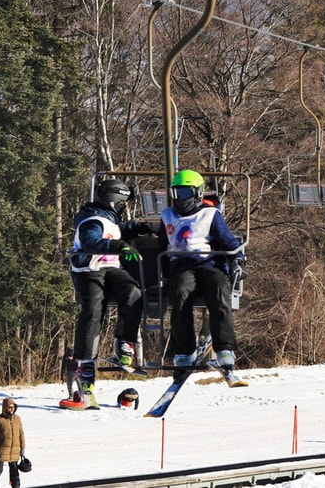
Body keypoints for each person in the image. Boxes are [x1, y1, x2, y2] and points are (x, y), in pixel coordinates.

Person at [158, 169, 248, 386]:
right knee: (179, 293)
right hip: (182, 266)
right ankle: (184, 351)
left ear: (197, 193)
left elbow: (228, 241)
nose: (180, 199)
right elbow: (162, 246)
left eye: (185, 193)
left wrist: (238, 261)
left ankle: (224, 350)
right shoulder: (167, 216)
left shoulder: (210, 215)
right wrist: (164, 275)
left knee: (219, 289)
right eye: (177, 193)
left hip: (210, 263)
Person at [69, 179, 151, 406]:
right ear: (115, 201)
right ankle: (85, 365)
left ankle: (124, 341)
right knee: (94, 309)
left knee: (133, 292)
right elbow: (90, 241)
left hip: (111, 268)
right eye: (123, 204)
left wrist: (141, 228)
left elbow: (117, 231)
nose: (123, 208)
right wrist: (119, 246)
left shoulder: (108, 218)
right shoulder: (91, 219)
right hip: (89, 269)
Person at [0, 397, 25, 488]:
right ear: (5, 408)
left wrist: (23, 447)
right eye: (9, 407)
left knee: (15, 473)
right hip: (2, 450)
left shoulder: (17, 419)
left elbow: (21, 433)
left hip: (14, 450)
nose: (12, 409)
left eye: (13, 407)